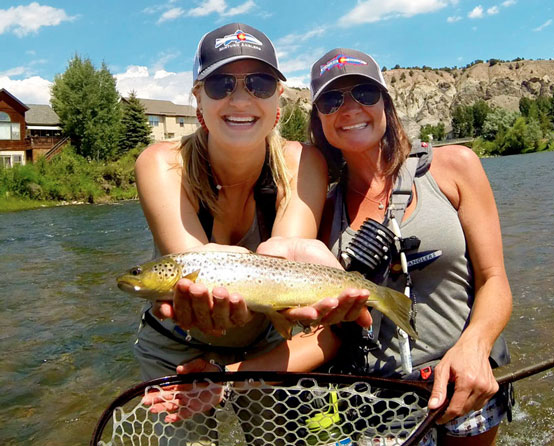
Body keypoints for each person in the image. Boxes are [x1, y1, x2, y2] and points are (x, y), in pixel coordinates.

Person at [133, 23, 363, 382]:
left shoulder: (302, 162)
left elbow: (285, 262)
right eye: (220, 84)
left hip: (265, 345)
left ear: (278, 100)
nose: (240, 100)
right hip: (175, 348)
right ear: (198, 99)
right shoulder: (162, 164)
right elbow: (194, 276)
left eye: (260, 84)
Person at [307, 48, 514, 445]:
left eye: (364, 94)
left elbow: (494, 280)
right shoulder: (320, 210)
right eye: (332, 100)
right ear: (319, 120)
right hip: (375, 406)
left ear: (386, 102)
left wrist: (475, 347)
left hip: (464, 383)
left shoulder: (456, 167)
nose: (349, 109)